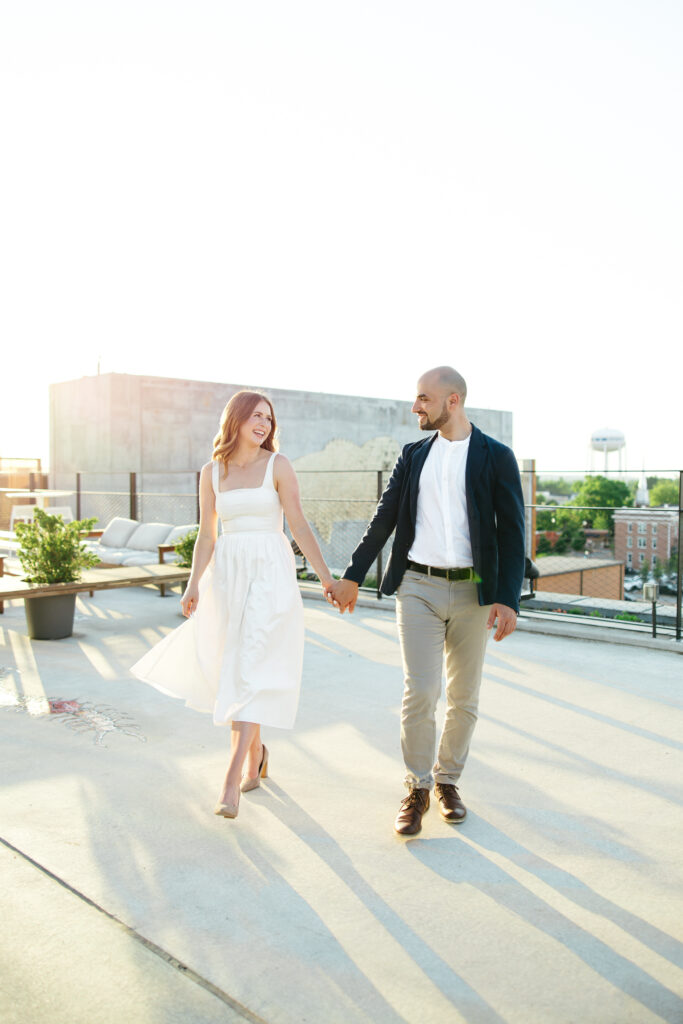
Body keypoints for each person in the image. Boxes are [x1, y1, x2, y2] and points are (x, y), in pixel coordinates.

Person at [328, 366, 525, 836]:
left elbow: (513, 531)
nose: (415, 407)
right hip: (418, 586)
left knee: (464, 697)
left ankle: (447, 781)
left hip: (474, 592)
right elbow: (385, 518)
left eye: (423, 399)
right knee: (421, 690)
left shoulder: (496, 457)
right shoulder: (413, 455)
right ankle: (415, 787)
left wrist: (507, 598)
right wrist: (353, 575)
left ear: (452, 401)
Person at [131, 390, 334, 820]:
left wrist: (326, 576)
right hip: (227, 574)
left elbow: (297, 522)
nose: (264, 424)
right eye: (256, 416)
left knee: (251, 662)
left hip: (270, 573)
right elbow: (208, 534)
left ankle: (231, 779)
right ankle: (256, 754)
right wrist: (193, 585)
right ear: (236, 420)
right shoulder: (212, 472)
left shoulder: (278, 466)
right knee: (237, 666)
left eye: (269, 418)